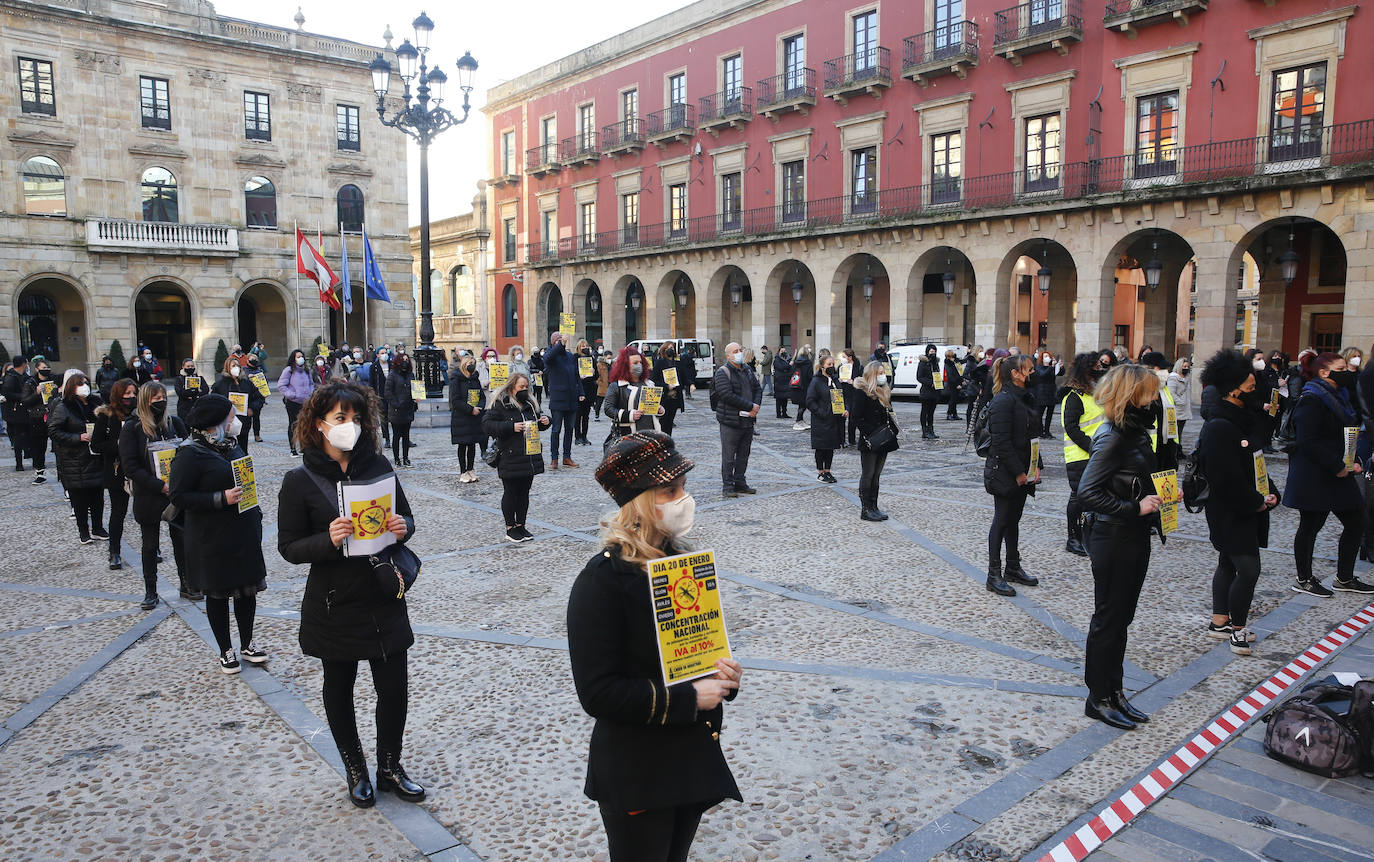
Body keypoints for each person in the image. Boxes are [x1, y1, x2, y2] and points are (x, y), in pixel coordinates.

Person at [569, 431, 743, 862]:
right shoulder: (601, 580)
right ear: (640, 500)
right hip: (638, 770)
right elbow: (598, 692)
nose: (683, 498)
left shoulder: (681, 562)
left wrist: (723, 678)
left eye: (683, 487)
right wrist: (688, 698)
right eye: (670, 490)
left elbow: (694, 652)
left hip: (689, 758)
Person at [277, 380, 422, 808]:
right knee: (339, 686)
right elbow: (288, 548)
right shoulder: (298, 481)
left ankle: (390, 766)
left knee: (394, 688)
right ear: (319, 424)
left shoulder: (377, 465)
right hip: (334, 600)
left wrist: (402, 528)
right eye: (341, 419)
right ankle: (355, 769)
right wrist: (327, 539)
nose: (350, 427)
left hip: (383, 594)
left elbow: (406, 517)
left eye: (357, 419)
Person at [1077, 365, 1166, 730]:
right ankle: (1098, 697)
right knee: (1109, 618)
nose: (1157, 397)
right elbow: (1087, 492)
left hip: (1133, 534)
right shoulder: (1112, 435)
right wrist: (1133, 507)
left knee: (1122, 619)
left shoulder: (1135, 432)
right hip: (1113, 535)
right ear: (1133, 395)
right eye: (1151, 391)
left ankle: (1114, 692)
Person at [170, 394, 268, 674]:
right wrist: (219, 498)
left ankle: (247, 643)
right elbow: (179, 496)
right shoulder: (189, 453)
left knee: (247, 590)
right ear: (215, 422)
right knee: (218, 594)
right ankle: (226, 649)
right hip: (212, 535)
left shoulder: (232, 445)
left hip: (243, 529)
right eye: (230, 417)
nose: (235, 421)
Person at [1197, 350, 1280, 656]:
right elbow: (1225, 478)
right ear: (1232, 389)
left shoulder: (1243, 420)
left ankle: (1220, 621)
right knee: (1248, 568)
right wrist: (1255, 503)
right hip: (1230, 509)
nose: (1254, 388)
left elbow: (1255, 462)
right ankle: (1237, 629)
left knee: (1228, 563)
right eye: (1249, 385)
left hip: (1246, 503)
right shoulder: (1220, 426)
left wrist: (1269, 492)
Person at [1284, 351, 1374, 596]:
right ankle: (1304, 579)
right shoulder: (1312, 398)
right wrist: (1337, 466)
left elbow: (1346, 433)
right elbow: (1308, 441)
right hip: (1315, 474)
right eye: (1341, 367)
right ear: (1324, 373)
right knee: (1311, 525)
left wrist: (1352, 460)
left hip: (1338, 471)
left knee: (1357, 522)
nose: (1346, 371)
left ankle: (1344, 577)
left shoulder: (1340, 395)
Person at [121, 380, 197, 607]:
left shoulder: (173, 423)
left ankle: (187, 584)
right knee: (150, 545)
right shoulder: (132, 428)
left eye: (163, 398)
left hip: (175, 493)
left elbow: (189, 451)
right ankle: (150, 590)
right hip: (150, 494)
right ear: (145, 401)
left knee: (181, 540)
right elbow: (130, 466)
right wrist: (158, 485)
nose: (160, 402)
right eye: (155, 399)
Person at [983, 354, 1042, 597]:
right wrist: (1019, 472)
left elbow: (1032, 437)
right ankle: (993, 574)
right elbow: (1001, 443)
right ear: (1015, 374)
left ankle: (1013, 567)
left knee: (1014, 520)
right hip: (1005, 472)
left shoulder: (1025, 399)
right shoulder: (1003, 401)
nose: (1032, 373)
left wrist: (1037, 466)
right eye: (1028, 369)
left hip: (1024, 469)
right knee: (1002, 520)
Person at [483, 373, 550, 542]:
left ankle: (521, 525)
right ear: (512, 386)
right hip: (510, 455)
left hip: (529, 455)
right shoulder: (501, 404)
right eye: (521, 386)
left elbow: (539, 421)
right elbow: (487, 425)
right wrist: (511, 427)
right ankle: (510, 527)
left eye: (526, 386)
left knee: (524, 493)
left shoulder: (529, 403)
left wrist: (546, 420)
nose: (524, 389)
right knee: (511, 492)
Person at [47, 370, 106, 545]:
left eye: (86, 383)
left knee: (97, 495)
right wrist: (77, 438)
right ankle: (83, 531)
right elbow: (53, 430)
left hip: (95, 456)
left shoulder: (97, 404)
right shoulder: (63, 406)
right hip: (75, 458)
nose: (84, 387)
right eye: (80, 384)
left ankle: (97, 527)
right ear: (72, 387)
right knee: (79, 498)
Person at [1061, 353, 1105, 558]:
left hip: (1098, 454)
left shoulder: (1095, 394)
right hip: (1080, 455)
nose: (1100, 368)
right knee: (1078, 498)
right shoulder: (1074, 397)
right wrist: (1092, 446)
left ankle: (1089, 534)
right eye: (1096, 366)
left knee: (1094, 497)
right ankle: (1073, 537)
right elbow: (1071, 427)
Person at [92, 378, 136, 571]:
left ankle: (154, 548)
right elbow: (96, 445)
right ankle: (114, 551)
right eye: (127, 394)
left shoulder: (139, 414)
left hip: (139, 469)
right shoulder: (107, 416)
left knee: (148, 512)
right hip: (117, 470)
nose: (131, 397)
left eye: (134, 394)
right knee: (118, 512)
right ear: (118, 395)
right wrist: (117, 445)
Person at [711, 342, 762, 498]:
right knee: (729, 456)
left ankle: (740, 482)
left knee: (743, 454)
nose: (739, 352)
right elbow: (726, 395)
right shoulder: (723, 372)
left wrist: (756, 405)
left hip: (747, 421)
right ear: (728, 355)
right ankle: (728, 486)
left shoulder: (747, 369)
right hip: (730, 420)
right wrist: (750, 406)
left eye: (740, 350)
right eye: (735, 351)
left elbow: (757, 389)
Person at [851, 361, 897, 521]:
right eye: (879, 373)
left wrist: (892, 431)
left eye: (883, 372)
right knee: (868, 474)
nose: (883, 375)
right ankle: (866, 509)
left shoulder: (883, 392)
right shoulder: (861, 392)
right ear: (872, 375)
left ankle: (874, 506)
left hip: (884, 439)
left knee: (877, 475)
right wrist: (870, 433)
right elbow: (856, 417)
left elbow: (889, 414)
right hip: (870, 439)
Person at [603, 346, 664, 444]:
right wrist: (629, 415)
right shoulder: (617, 386)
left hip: (650, 435)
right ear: (626, 366)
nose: (639, 365)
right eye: (635, 363)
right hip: (627, 436)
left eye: (640, 362)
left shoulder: (649, 384)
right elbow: (608, 408)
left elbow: (653, 407)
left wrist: (659, 409)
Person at [543, 332, 581, 469]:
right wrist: (561, 343)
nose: (561, 342)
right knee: (556, 430)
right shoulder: (550, 356)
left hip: (571, 399)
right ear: (553, 342)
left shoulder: (570, 356)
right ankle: (554, 459)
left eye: (562, 339)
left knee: (569, 429)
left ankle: (567, 456)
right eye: (558, 340)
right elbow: (548, 358)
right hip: (558, 399)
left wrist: (580, 392)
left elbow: (576, 376)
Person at [806, 354, 845, 483]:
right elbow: (810, 401)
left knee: (831, 446)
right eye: (829, 364)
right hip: (821, 420)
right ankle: (820, 472)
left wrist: (845, 409)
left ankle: (828, 470)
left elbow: (841, 396)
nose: (832, 366)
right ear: (822, 366)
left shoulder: (835, 380)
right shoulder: (816, 381)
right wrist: (822, 412)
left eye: (833, 364)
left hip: (835, 419)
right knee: (821, 447)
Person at [211, 356, 262, 455]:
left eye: (238, 365)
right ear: (227, 368)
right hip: (226, 425)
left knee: (242, 451)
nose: (236, 368)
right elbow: (213, 402)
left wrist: (252, 408)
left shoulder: (247, 383)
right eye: (233, 366)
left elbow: (259, 398)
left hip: (243, 423)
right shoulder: (219, 385)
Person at [22, 357, 59, 484]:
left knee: (58, 445)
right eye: (43, 368)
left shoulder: (53, 380)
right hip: (37, 418)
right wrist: (36, 393)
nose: (46, 370)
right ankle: (40, 472)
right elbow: (26, 401)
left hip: (53, 416)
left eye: (47, 368)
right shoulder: (30, 382)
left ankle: (62, 472)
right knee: (39, 446)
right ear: (37, 369)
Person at [449, 354, 485, 483]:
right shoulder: (456, 378)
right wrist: (470, 409)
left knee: (472, 444)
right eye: (469, 362)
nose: (472, 365)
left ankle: (471, 469)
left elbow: (482, 396)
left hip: (475, 417)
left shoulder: (475, 378)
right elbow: (455, 399)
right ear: (464, 364)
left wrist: (479, 407)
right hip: (461, 416)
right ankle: (463, 471)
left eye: (473, 363)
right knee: (462, 445)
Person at [278, 350, 317, 456]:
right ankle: (293, 448)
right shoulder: (289, 370)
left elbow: (311, 383)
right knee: (293, 424)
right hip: (293, 402)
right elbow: (281, 385)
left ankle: (304, 446)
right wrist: (292, 395)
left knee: (305, 425)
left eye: (302, 356)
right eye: (298, 356)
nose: (301, 358)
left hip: (306, 401)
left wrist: (310, 393)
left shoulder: (307, 370)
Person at [384, 354, 418, 467]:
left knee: (406, 436)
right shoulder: (392, 375)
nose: (405, 362)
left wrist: (416, 398)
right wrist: (396, 404)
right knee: (396, 435)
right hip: (396, 410)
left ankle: (406, 458)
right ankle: (397, 459)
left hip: (408, 409)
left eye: (407, 360)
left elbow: (415, 389)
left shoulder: (410, 374)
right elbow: (388, 392)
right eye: (403, 360)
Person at [2, 356, 33, 472]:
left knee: (28, 435)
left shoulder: (24, 376)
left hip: (25, 410)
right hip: (15, 412)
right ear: (24, 364)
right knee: (18, 437)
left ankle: (29, 454)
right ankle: (19, 463)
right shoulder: (10, 377)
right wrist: (24, 396)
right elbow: (8, 393)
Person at [651, 342, 686, 436]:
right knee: (663, 422)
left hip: (675, 397)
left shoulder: (678, 363)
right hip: (664, 398)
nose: (672, 349)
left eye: (673, 348)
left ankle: (668, 438)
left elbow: (684, 376)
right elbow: (654, 380)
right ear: (664, 350)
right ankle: (662, 439)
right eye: (669, 348)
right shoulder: (660, 362)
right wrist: (666, 386)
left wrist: (690, 384)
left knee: (670, 422)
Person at [1030, 349, 1061, 437]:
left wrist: (1060, 367)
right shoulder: (1039, 367)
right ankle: (1040, 430)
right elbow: (1042, 374)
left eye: (1049, 356)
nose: (1047, 358)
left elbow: (1060, 373)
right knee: (1039, 413)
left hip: (1051, 392)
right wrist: (1051, 367)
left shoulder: (1052, 367)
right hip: (1041, 392)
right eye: (1045, 356)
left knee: (1050, 414)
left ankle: (1047, 431)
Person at [915, 343, 942, 439]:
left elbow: (937, 374)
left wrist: (939, 383)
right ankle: (925, 431)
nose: (933, 353)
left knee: (931, 412)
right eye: (931, 351)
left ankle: (931, 430)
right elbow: (919, 377)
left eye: (934, 351)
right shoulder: (923, 363)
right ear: (927, 352)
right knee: (925, 411)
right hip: (926, 392)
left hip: (935, 392)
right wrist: (931, 383)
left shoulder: (936, 363)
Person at [575, 340, 599, 446]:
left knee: (586, 415)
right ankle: (577, 436)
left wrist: (593, 373)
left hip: (589, 389)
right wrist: (578, 376)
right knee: (577, 415)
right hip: (579, 389)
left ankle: (584, 436)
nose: (584, 347)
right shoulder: (575, 358)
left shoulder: (591, 359)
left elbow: (597, 376)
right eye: (582, 346)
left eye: (586, 346)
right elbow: (572, 373)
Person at [243, 351, 270, 442]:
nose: (254, 361)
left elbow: (265, 383)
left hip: (258, 397)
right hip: (248, 397)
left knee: (256, 417)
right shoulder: (244, 371)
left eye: (255, 359)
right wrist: (248, 377)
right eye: (251, 360)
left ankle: (257, 434)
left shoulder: (260, 370)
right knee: (246, 419)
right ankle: (244, 434)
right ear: (247, 361)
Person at [370, 346, 393, 447]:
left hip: (392, 394)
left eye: (385, 353)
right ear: (378, 355)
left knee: (395, 418)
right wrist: (373, 396)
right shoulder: (374, 367)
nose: (384, 355)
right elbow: (372, 383)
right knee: (384, 419)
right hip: (381, 396)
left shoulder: (392, 365)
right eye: (382, 353)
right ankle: (387, 438)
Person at [1166, 357, 1193, 441]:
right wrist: (1180, 402)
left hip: (1184, 410)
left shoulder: (1187, 378)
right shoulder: (1173, 378)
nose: (1186, 368)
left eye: (1187, 367)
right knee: (1175, 433)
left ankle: (1178, 449)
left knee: (1180, 432)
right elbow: (1171, 393)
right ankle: (1175, 450)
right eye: (1184, 366)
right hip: (1176, 410)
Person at [174, 358, 208, 424]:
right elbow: (181, 393)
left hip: (197, 406)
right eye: (188, 366)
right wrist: (196, 390)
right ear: (183, 367)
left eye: (192, 366)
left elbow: (205, 390)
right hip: (184, 408)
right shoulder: (179, 379)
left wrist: (193, 395)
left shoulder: (200, 378)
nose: (190, 368)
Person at [838, 348, 860, 447]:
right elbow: (835, 375)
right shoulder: (841, 366)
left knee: (853, 418)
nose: (842, 359)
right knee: (842, 417)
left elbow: (861, 379)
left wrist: (854, 381)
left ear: (850, 357)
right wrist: (839, 379)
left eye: (844, 357)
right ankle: (841, 440)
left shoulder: (858, 367)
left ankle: (852, 439)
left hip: (854, 394)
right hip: (843, 393)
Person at [790, 345, 813, 431]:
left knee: (802, 405)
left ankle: (800, 420)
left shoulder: (796, 362)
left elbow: (791, 373)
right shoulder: (808, 363)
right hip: (805, 386)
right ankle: (798, 421)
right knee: (804, 405)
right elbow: (809, 375)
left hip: (797, 386)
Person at [772, 347, 793, 419]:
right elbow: (781, 367)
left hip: (786, 380)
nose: (784, 352)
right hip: (779, 381)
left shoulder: (787, 359)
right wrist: (789, 365)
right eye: (782, 351)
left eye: (784, 350)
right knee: (779, 398)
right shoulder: (777, 360)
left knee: (785, 398)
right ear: (779, 352)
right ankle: (778, 413)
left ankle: (784, 413)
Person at [944, 349, 965, 421]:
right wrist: (956, 384)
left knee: (955, 399)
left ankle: (954, 414)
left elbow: (960, 371)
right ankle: (949, 414)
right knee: (952, 399)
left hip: (958, 382)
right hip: (952, 384)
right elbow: (950, 375)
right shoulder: (948, 363)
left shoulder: (956, 361)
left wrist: (962, 380)